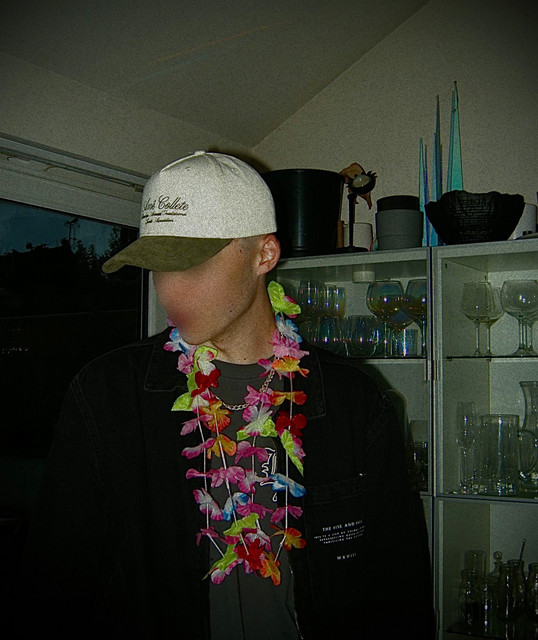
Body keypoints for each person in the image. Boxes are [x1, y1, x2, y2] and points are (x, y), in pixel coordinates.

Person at [12, 151, 435, 639]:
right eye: (159, 268)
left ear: (264, 255)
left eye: (192, 265)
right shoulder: (106, 396)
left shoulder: (352, 400)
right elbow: (52, 589)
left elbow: (398, 587)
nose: (169, 291)